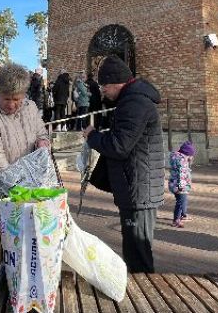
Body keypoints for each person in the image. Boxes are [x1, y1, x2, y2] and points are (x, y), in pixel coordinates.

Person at [83, 56, 163, 273]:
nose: (103, 92)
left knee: (138, 253)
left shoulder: (134, 102)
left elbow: (119, 145)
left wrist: (93, 136)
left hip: (138, 189)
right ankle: (143, 292)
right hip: (137, 186)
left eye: (104, 87)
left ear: (115, 83)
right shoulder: (133, 100)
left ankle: (145, 298)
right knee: (136, 248)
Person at [0, 63, 50, 214]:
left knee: (19, 234)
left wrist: (42, 142)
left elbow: (41, 133)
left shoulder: (31, 108)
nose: (12, 105)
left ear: (24, 94)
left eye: (16, 99)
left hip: (23, 187)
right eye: (6, 99)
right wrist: (19, 191)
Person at [169, 141, 195, 227]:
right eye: (191, 155)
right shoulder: (182, 161)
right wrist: (182, 187)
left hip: (174, 184)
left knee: (181, 201)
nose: (192, 157)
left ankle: (183, 215)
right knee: (180, 203)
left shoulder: (176, 158)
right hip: (181, 186)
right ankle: (176, 220)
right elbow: (182, 175)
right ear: (187, 154)